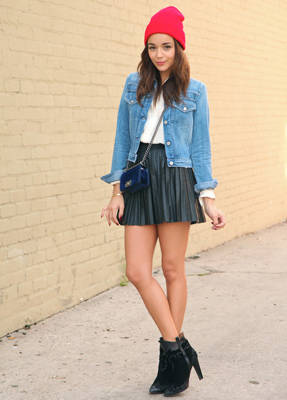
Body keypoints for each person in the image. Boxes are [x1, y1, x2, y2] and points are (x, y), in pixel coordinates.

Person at [100, 6, 226, 397]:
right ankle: (178, 348)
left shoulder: (196, 90)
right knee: (138, 271)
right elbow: (123, 139)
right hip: (139, 179)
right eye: (152, 46)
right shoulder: (132, 85)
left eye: (166, 46)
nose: (159, 54)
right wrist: (116, 191)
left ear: (178, 48)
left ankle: (170, 361)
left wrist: (208, 196)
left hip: (175, 176)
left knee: (172, 269)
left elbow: (201, 146)